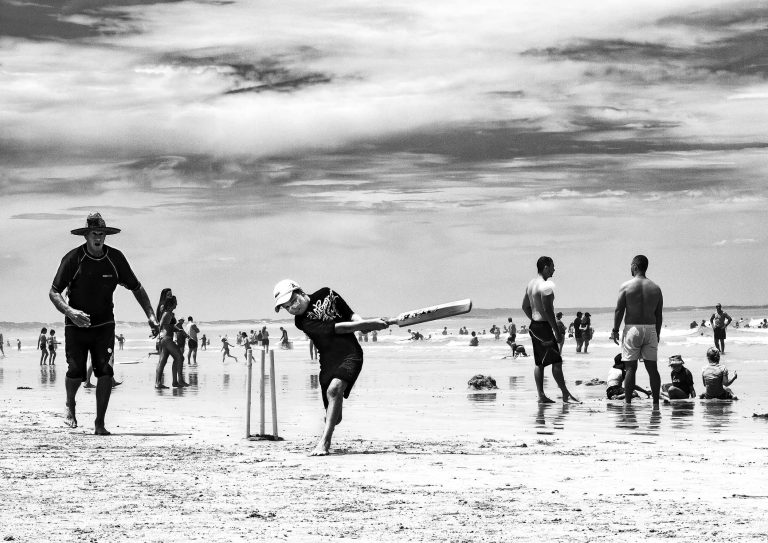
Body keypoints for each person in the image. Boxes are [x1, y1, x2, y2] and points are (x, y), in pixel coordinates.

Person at [49, 212, 159, 434]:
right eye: (94, 234)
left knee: (106, 371)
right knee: (76, 371)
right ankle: (70, 404)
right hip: (76, 325)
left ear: (106, 236)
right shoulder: (73, 258)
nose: (98, 237)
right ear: (86, 236)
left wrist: (150, 315)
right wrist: (70, 311)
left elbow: (136, 287)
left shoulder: (115, 259)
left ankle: (100, 423)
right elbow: (54, 292)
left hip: (104, 325)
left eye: (102, 234)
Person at [273, 279, 388, 456]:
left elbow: (348, 314)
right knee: (336, 417)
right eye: (287, 307)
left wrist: (362, 323)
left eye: (293, 301)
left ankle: (324, 443)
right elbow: (338, 328)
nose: (293, 308)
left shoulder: (327, 293)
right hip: (328, 361)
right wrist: (366, 325)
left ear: (301, 292)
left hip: (350, 354)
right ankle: (330, 420)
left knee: (334, 390)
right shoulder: (301, 322)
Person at [522, 256, 579, 403]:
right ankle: (565, 393)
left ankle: (541, 395)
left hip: (534, 326)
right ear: (546, 267)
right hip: (544, 327)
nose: (554, 269)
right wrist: (555, 330)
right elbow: (548, 309)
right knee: (556, 361)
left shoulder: (531, 284)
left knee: (539, 363)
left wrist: (534, 321)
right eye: (553, 266)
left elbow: (525, 307)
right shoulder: (546, 286)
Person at [610, 254, 663, 406]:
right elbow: (658, 314)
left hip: (632, 328)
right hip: (651, 328)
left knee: (630, 368)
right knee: (652, 368)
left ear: (634, 266)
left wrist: (615, 330)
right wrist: (657, 333)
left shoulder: (626, 286)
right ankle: (655, 404)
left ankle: (627, 403)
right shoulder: (656, 288)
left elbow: (619, 310)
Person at [154, 292, 188, 389]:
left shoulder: (169, 313)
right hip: (166, 339)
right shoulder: (167, 314)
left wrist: (179, 329)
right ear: (171, 304)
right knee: (180, 357)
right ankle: (178, 381)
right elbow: (161, 325)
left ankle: (162, 383)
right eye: (175, 302)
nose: (177, 304)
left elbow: (168, 326)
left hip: (165, 339)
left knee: (163, 361)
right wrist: (157, 334)